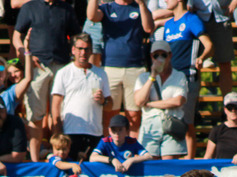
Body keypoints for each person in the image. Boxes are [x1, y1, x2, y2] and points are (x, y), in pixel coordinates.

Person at [12, 0, 81, 161]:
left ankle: (59, 155)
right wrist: (26, 55)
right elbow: (16, 37)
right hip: (37, 67)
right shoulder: (29, 7)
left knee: (58, 115)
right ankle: (35, 160)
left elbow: (77, 37)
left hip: (62, 67)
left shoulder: (66, 8)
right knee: (36, 115)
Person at [87, 0, 154, 134]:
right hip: (110, 68)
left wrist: (141, 5)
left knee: (134, 116)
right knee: (109, 116)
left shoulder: (138, 7)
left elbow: (149, 28)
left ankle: (133, 152)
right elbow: (92, 16)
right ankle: (110, 150)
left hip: (135, 67)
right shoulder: (107, 7)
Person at [162, 0, 212, 159]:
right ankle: (174, 155)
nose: (164, 1)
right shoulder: (168, 24)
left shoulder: (192, 19)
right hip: (170, 78)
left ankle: (189, 159)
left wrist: (202, 57)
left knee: (187, 120)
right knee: (171, 118)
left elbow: (209, 44)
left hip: (188, 76)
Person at [51, 33, 111, 161]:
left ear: (91, 51)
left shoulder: (101, 74)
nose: (83, 53)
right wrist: (58, 133)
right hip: (70, 132)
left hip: (95, 133)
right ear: (73, 50)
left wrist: (103, 100)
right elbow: (55, 105)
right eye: (80, 49)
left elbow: (110, 104)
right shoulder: (63, 73)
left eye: (86, 49)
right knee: (72, 172)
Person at [133, 40, 188, 160]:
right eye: (156, 55)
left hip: (171, 124)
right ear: (151, 57)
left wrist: (151, 104)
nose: (159, 58)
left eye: (163, 55)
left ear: (170, 55)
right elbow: (139, 101)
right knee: (150, 166)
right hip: (150, 124)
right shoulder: (143, 77)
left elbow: (178, 101)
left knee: (169, 168)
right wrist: (152, 76)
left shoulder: (179, 76)